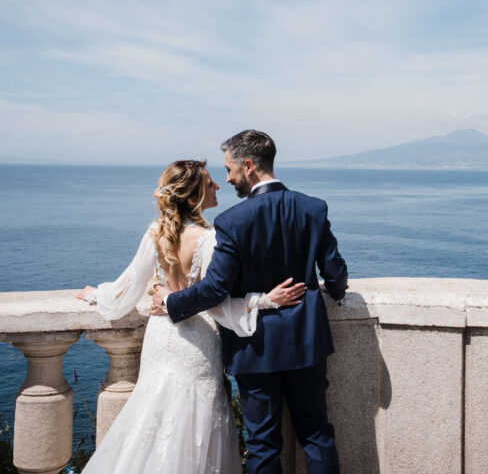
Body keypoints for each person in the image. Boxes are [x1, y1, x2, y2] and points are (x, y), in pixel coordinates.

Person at [74, 159, 306, 474]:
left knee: (151, 417)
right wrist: (264, 300)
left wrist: (97, 295)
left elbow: (128, 285)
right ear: (194, 199)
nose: (218, 186)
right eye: (210, 184)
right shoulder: (211, 239)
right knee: (195, 424)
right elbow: (217, 302)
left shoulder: (156, 231)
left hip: (161, 338)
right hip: (196, 344)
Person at [153, 130, 348, 474]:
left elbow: (215, 289)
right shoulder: (312, 208)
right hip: (306, 342)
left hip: (254, 347)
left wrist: (171, 302)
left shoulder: (232, 222)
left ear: (249, 166)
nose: (227, 178)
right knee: (316, 434)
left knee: (262, 444)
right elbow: (334, 272)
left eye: (230, 170)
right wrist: (336, 290)